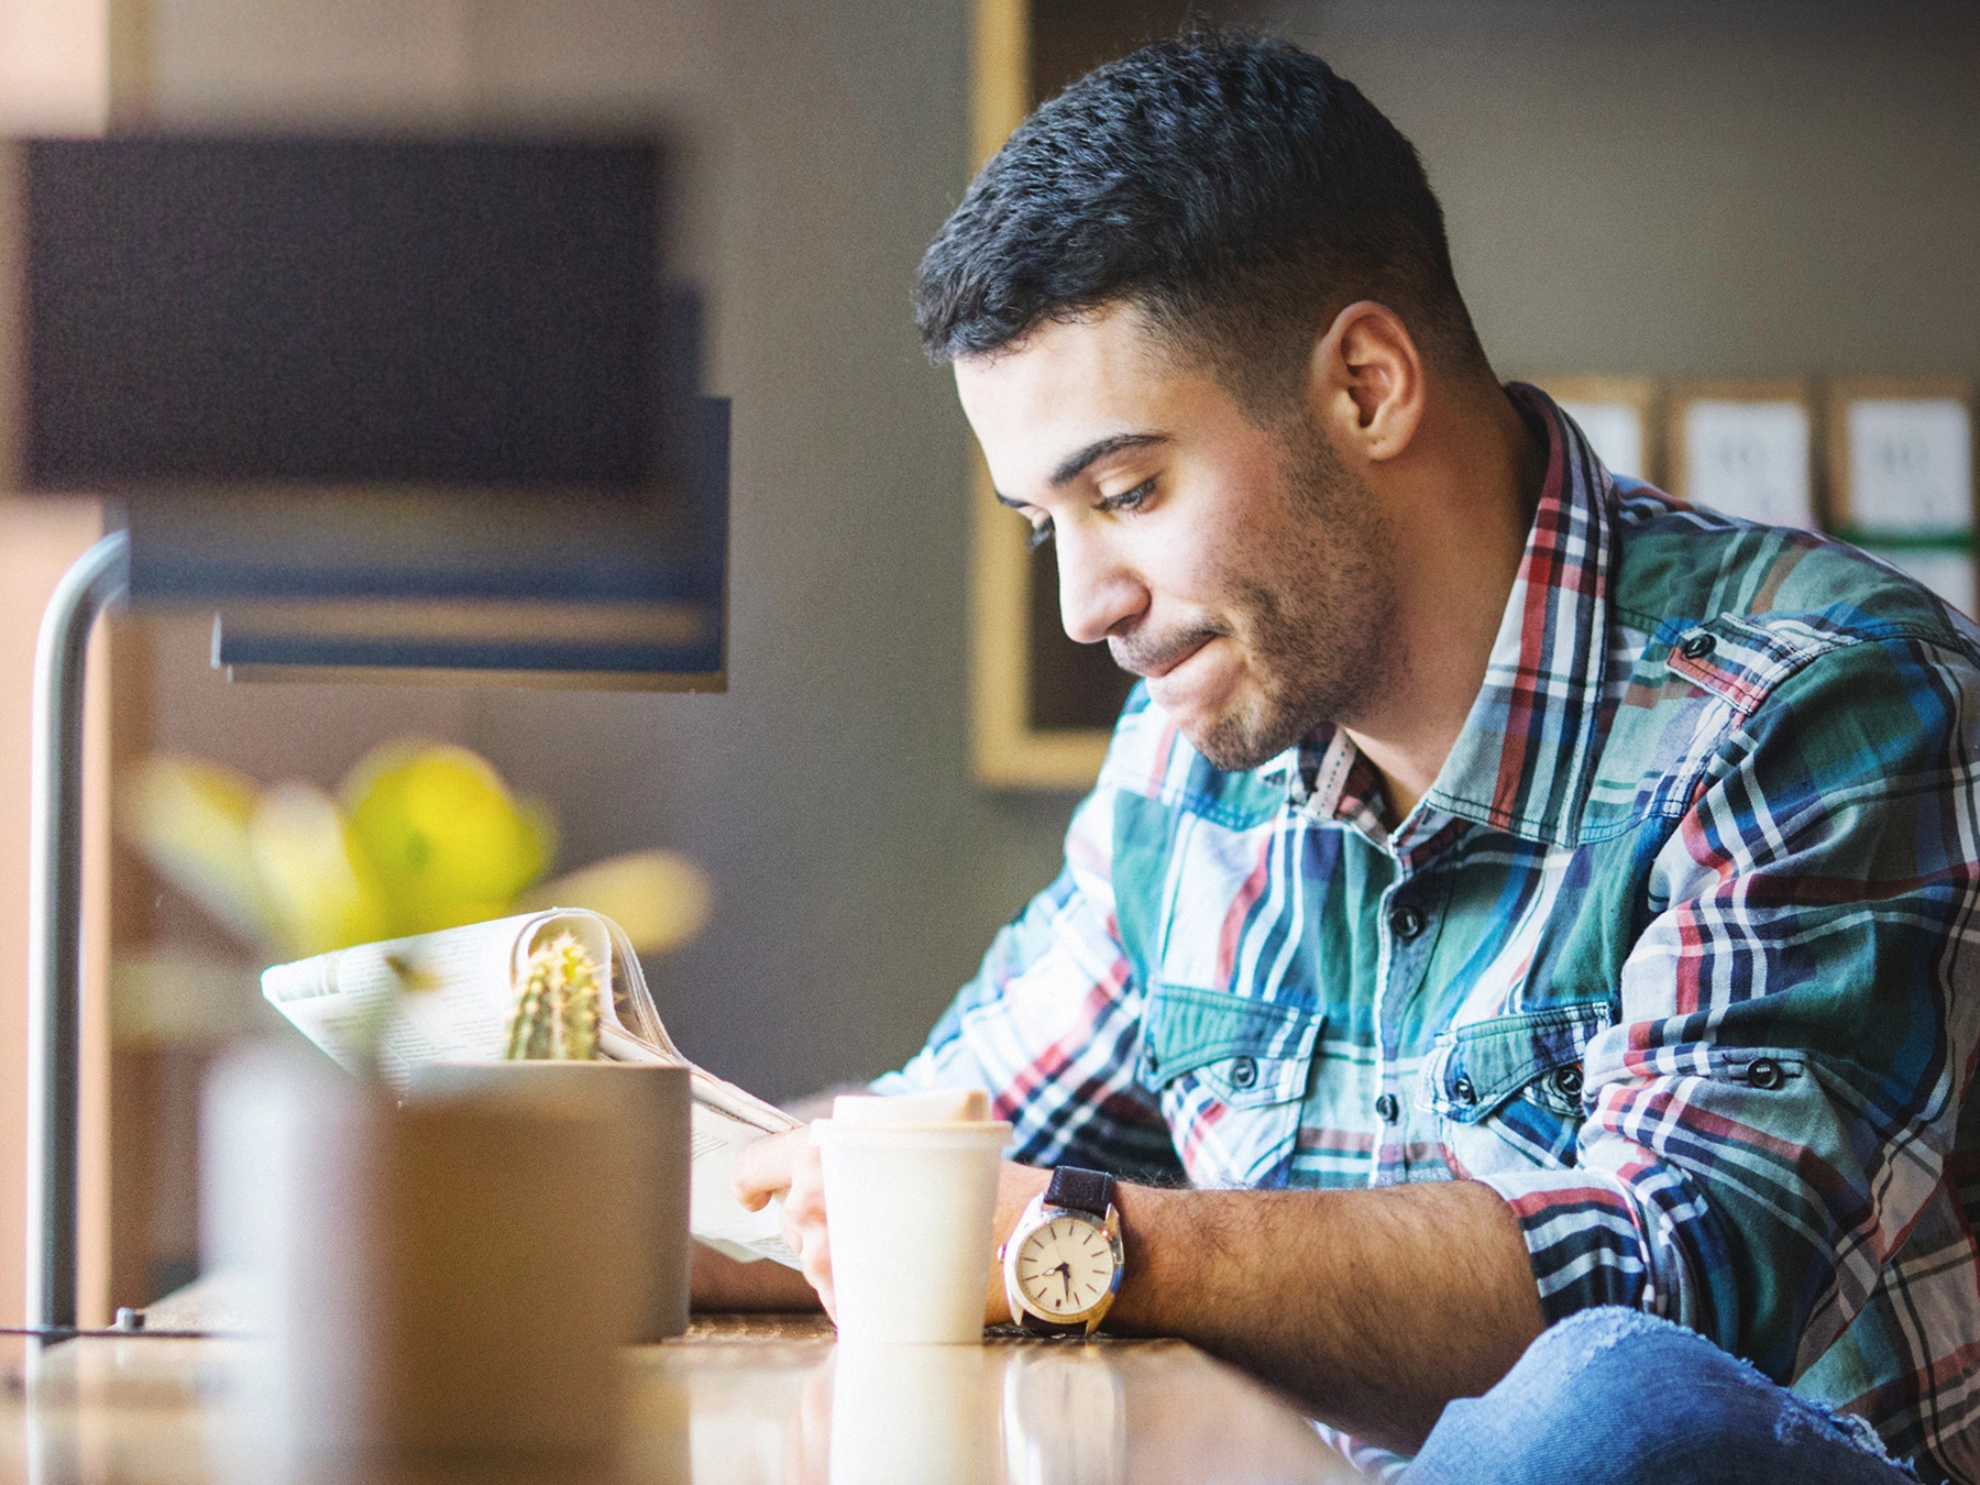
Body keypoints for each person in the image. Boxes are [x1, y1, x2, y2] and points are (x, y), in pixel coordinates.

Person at [708, 31, 1980, 1484]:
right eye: (1043, 523)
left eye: (1128, 489)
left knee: (1610, 1407)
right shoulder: (1188, 773)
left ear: (1367, 385)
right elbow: (933, 1167)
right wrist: (552, 1181)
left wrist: (1086, 1243)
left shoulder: (1820, 707)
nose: (1083, 607)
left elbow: (1680, 1291)